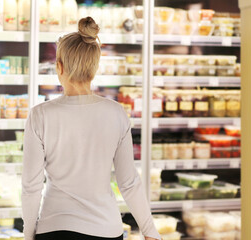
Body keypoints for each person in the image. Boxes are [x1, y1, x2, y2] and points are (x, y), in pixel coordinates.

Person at [21, 17, 161, 240]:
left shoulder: (40, 115)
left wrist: (29, 234)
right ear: (95, 68)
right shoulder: (115, 113)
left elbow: (31, 186)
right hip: (105, 229)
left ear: (59, 67)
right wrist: (150, 231)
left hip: (55, 228)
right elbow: (128, 183)